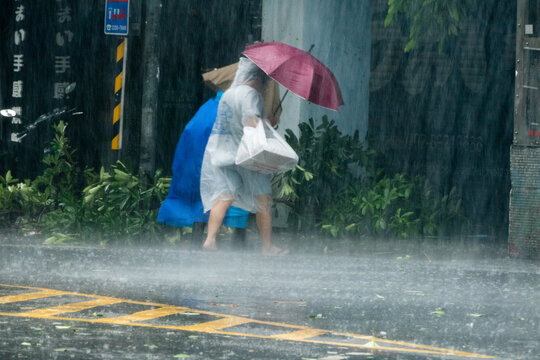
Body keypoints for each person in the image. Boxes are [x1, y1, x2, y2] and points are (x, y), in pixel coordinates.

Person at [200, 57, 288, 255]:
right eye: (264, 79)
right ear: (257, 77)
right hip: (247, 156)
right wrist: (269, 121)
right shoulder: (251, 95)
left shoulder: (228, 94)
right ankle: (267, 247)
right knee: (263, 200)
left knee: (224, 196)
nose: (265, 84)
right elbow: (251, 124)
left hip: (224, 154)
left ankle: (210, 239)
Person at [157, 91, 250, 242]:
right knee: (236, 200)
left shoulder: (207, 108)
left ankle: (198, 239)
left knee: (202, 200)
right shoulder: (232, 111)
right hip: (220, 163)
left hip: (196, 165)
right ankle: (237, 243)